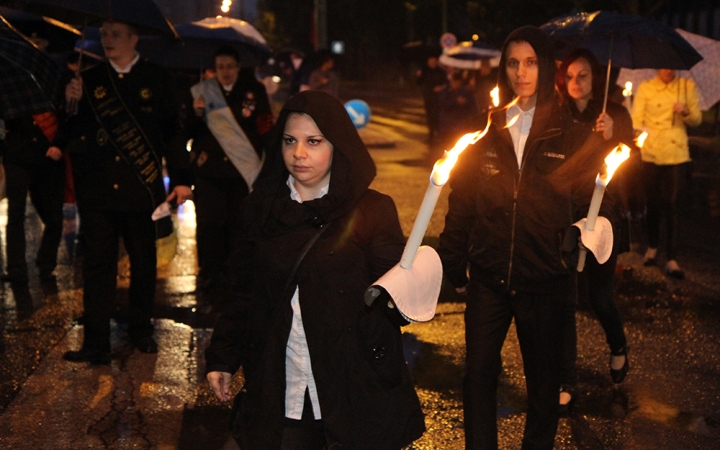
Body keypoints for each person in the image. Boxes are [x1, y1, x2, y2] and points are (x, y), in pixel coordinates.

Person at [204, 90, 425, 449]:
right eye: (290, 141)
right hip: (283, 378)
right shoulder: (260, 209)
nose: (299, 153)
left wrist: (415, 282)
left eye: (313, 141)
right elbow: (243, 291)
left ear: (337, 144)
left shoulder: (372, 210)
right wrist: (223, 358)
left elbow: (394, 299)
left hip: (353, 382)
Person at [437, 26, 609, 449]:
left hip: (545, 280)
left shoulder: (569, 134)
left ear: (546, 67)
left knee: (543, 388)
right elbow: (463, 199)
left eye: (531, 62)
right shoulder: (486, 129)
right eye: (513, 62)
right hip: (489, 277)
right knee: (477, 376)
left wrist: (583, 240)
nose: (521, 72)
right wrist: (451, 259)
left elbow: (598, 207)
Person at [62, 20, 192, 364]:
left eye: (116, 34)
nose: (107, 40)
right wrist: (70, 104)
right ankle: (95, 343)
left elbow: (172, 133)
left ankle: (141, 331)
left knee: (144, 264)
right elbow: (71, 137)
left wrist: (181, 179)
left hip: (141, 191)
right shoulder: (87, 80)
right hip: (98, 193)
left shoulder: (158, 78)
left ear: (135, 38)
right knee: (97, 268)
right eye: (103, 34)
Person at [555, 48, 633, 411]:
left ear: (595, 78)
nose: (575, 83)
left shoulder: (614, 112)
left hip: (603, 212)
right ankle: (565, 379)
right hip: (566, 211)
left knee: (600, 297)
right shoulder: (558, 113)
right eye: (570, 76)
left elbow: (634, 160)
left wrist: (614, 138)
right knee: (566, 296)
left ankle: (618, 346)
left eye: (582, 75)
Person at [187, 46, 274, 291]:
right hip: (209, 173)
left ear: (238, 67)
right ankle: (210, 274)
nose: (225, 72)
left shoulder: (254, 91)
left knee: (240, 225)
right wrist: (196, 113)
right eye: (220, 67)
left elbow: (265, 128)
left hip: (241, 173)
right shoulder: (202, 94)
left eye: (230, 66)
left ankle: (239, 275)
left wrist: (270, 167)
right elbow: (187, 132)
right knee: (209, 225)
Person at [632, 69, 701, 279]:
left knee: (671, 204)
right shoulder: (646, 87)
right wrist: (643, 135)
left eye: (671, 65)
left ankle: (672, 257)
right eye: (662, 65)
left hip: (676, 153)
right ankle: (652, 245)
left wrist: (686, 111)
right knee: (652, 202)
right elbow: (636, 119)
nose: (667, 69)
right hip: (651, 152)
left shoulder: (686, 86)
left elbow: (697, 120)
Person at [0, 108, 66, 284]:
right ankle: (16, 269)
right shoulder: (10, 91)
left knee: (53, 217)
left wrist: (59, 144)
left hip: (48, 157)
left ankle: (46, 263)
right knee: (16, 213)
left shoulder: (52, 88)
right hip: (17, 156)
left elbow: (67, 118)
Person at [437, 71, 479, 154]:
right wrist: (455, 101)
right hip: (447, 124)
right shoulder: (445, 91)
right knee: (447, 146)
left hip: (461, 124)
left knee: (459, 146)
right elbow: (441, 103)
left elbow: (472, 106)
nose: (455, 84)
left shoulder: (465, 92)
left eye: (458, 82)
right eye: (454, 82)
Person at [416, 55, 447, 142]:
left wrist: (440, 88)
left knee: (437, 115)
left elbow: (445, 83)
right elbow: (419, 82)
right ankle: (431, 134)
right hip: (428, 96)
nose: (432, 61)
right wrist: (418, 76)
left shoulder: (440, 71)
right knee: (430, 115)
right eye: (430, 60)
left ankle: (438, 133)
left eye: (434, 59)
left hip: (439, 97)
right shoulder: (424, 70)